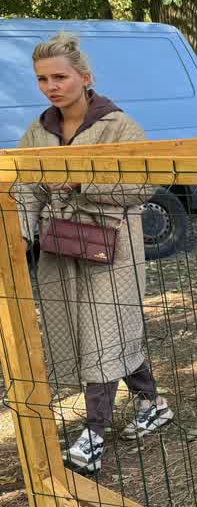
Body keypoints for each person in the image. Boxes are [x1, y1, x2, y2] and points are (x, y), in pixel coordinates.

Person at [15, 33, 176, 473]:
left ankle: (94, 434)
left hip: (113, 250)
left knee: (104, 333)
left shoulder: (119, 125)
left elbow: (145, 183)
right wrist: (19, 235)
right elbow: (26, 188)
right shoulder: (38, 131)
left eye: (60, 77)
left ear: (85, 77)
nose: (51, 86)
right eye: (43, 79)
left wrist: (83, 183)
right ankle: (153, 402)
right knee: (96, 333)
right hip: (60, 248)